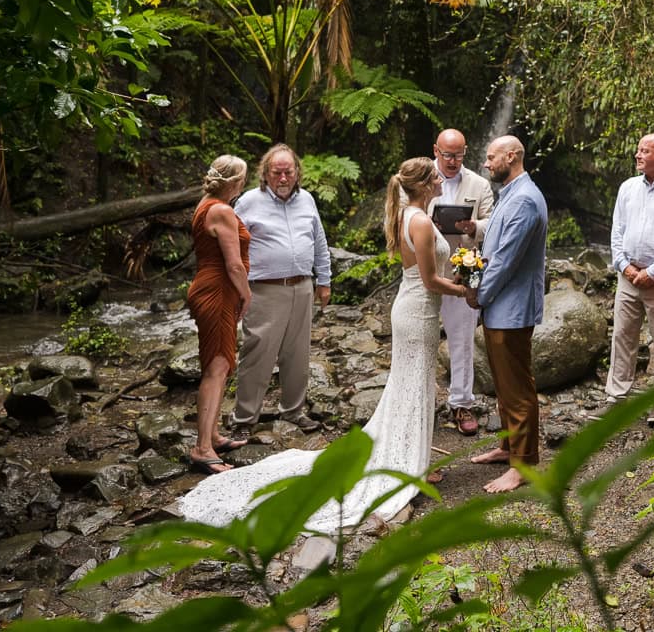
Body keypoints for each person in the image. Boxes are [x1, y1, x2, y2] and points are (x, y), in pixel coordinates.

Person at [179, 158, 468, 530]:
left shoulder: (408, 215)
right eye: (436, 174)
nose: (442, 178)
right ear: (427, 183)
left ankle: (411, 457)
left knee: (411, 384)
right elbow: (429, 280)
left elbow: (414, 270)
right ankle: (409, 463)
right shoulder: (421, 220)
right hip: (417, 310)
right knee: (413, 385)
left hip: (412, 308)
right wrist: (465, 289)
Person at [228, 144, 332, 435]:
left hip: (302, 287)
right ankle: (245, 418)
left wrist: (324, 280)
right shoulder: (249, 202)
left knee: (298, 354)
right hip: (264, 290)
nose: (283, 178)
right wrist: (235, 287)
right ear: (266, 173)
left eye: (288, 172)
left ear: (297, 172)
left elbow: (319, 241)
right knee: (258, 353)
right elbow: (232, 247)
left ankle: (293, 411)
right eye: (277, 172)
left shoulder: (307, 200)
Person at [466, 135, 548, 493]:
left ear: (511, 156)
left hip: (511, 308)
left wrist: (478, 294)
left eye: (491, 157)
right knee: (503, 385)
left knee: (516, 389)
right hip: (501, 305)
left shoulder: (526, 199)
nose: (486, 163)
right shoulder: (511, 193)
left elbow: (505, 260)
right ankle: (507, 447)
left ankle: (523, 465)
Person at [600, 134, 654, 422]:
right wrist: (624, 266)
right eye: (638, 149)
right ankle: (616, 397)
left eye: (645, 151)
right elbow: (617, 230)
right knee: (622, 336)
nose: (637, 155)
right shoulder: (627, 187)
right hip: (627, 275)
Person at [185, 155, 252, 474]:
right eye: (243, 180)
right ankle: (202, 448)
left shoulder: (205, 205)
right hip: (217, 290)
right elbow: (234, 264)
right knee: (217, 364)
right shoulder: (222, 210)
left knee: (221, 360)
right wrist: (246, 293)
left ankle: (211, 434)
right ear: (236, 182)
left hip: (211, 287)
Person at [429, 128, 496, 436]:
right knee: (422, 338)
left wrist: (473, 227)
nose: (453, 161)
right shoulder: (420, 176)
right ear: (435, 151)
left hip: (465, 269)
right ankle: (421, 401)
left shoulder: (479, 184)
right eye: (447, 155)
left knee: (462, 339)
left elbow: (492, 223)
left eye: (458, 155)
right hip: (428, 267)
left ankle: (462, 402)